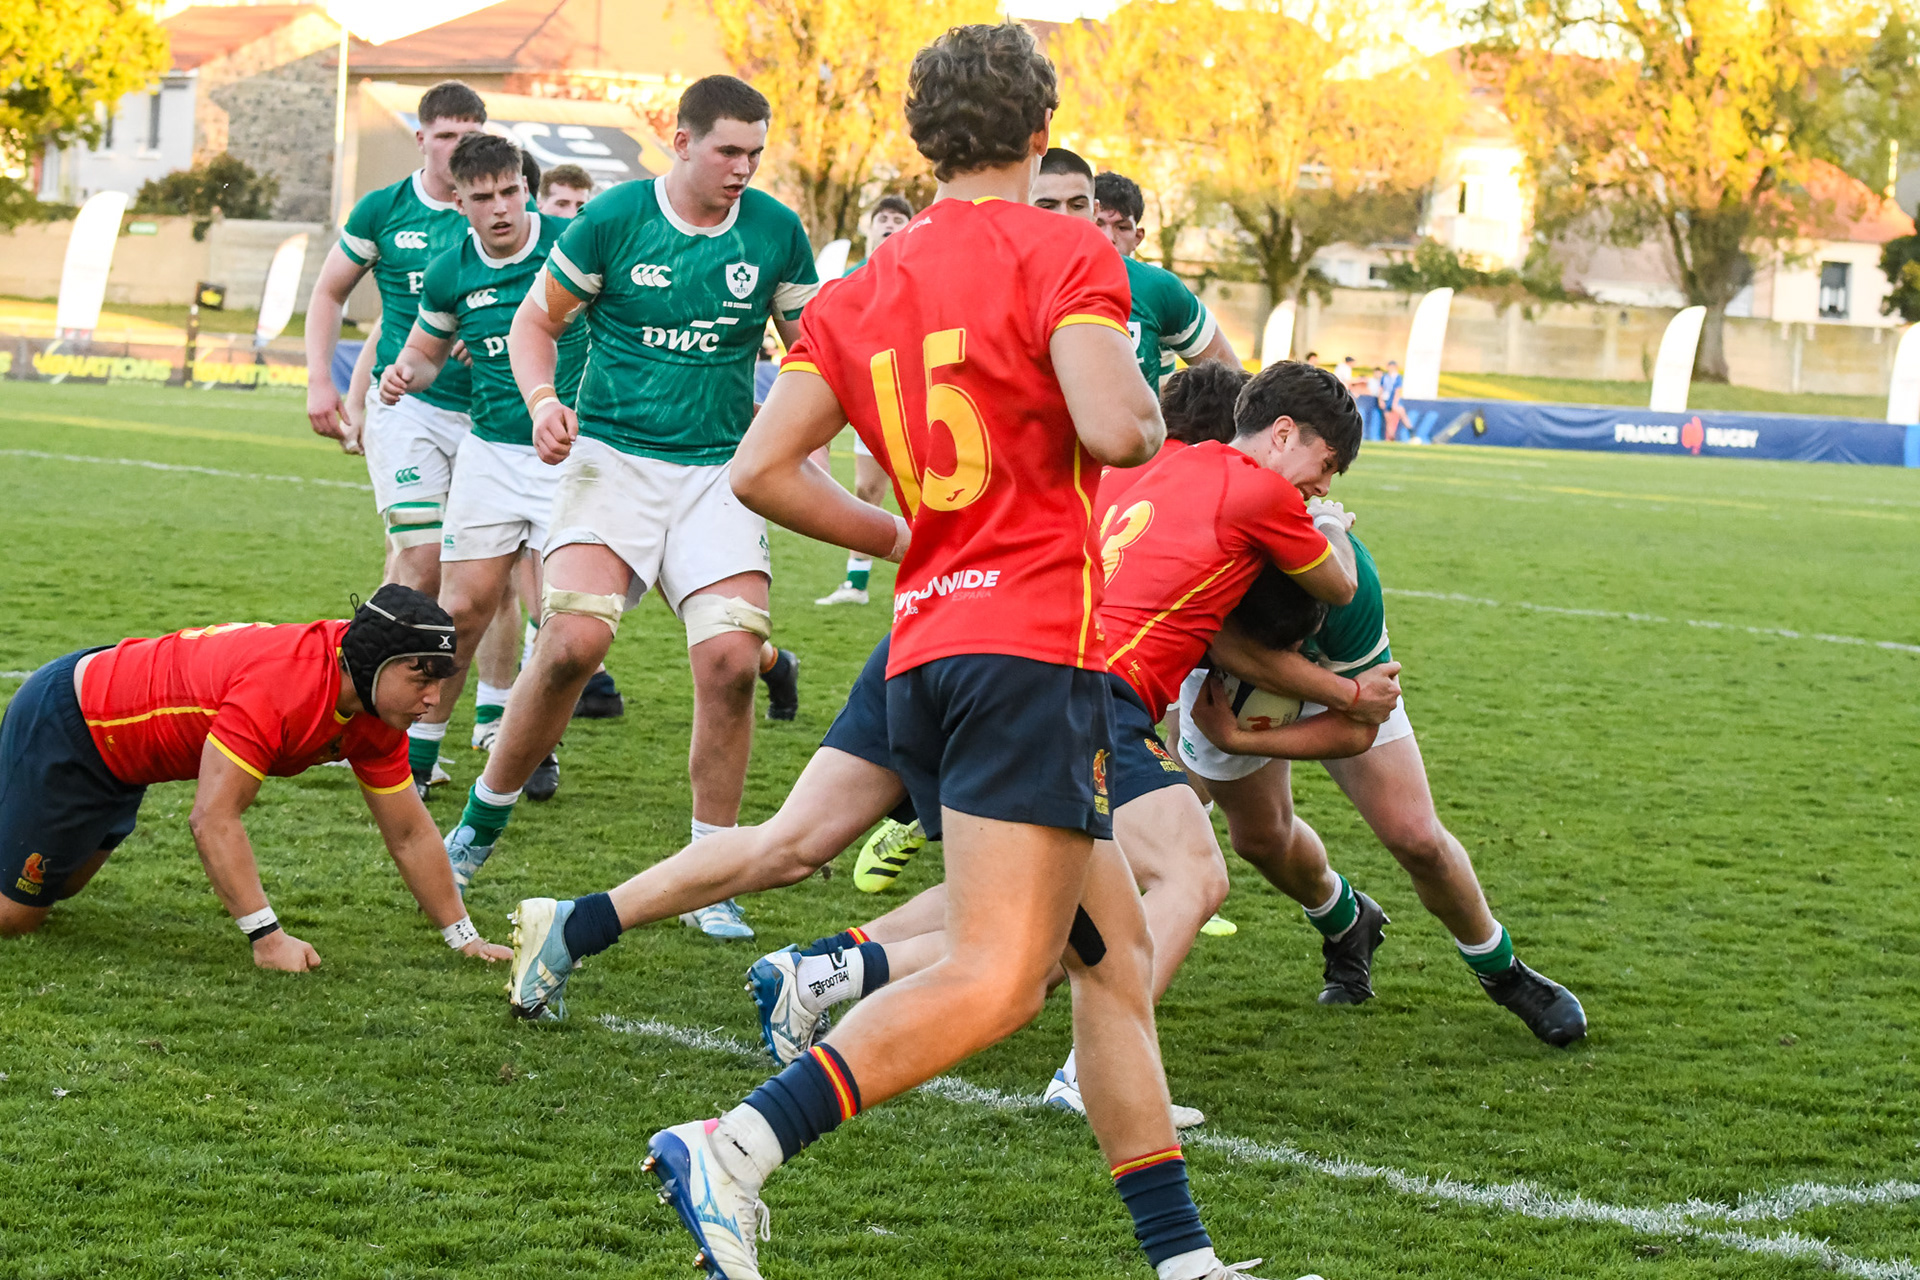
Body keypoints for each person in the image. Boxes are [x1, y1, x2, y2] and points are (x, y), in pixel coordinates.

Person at [627, 25, 1267, 1280]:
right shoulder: (1066, 247)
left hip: (928, 649)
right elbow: (1123, 428)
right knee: (998, 978)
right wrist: (1137, 401)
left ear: (925, 141)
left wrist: (907, 531)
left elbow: (761, 469)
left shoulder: (866, 283)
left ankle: (1184, 1263)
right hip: (1034, 652)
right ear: (1041, 134)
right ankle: (735, 1145)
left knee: (1114, 960)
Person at [443, 74, 816, 939]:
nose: (743, 169)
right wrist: (543, 401)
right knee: (572, 642)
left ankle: (710, 876)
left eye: (755, 154)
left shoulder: (774, 231)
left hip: (717, 471)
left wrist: (800, 430)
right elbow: (535, 325)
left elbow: (814, 352)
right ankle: (478, 824)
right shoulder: (614, 218)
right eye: (728, 150)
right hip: (612, 459)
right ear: (681, 142)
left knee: (732, 660)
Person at [1171, 505, 1589, 1046]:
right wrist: (1227, 725)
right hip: (1227, 678)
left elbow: (1357, 731)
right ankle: (1347, 921)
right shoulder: (1208, 572)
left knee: (1417, 837)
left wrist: (1242, 739)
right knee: (1260, 840)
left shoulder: (1352, 590)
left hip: (1346, 680)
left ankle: (1502, 971)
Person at [0, 585, 512, 970]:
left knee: (62, 887)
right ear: (370, 666)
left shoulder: (377, 713)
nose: (433, 699)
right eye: (420, 679)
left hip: (125, 764)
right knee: (14, 918)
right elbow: (212, 817)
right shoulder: (284, 685)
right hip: (71, 725)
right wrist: (268, 938)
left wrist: (464, 938)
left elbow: (409, 832)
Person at [377, 134, 589, 801]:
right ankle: (418, 757)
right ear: (458, 202)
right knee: (461, 610)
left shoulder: (575, 246)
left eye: (509, 191)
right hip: (491, 452)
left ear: (526, 188)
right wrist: (405, 372)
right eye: (483, 197)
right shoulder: (449, 271)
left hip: (571, 453)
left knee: (558, 617)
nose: (500, 208)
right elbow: (426, 353)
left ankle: (534, 746)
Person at [303, 81, 486, 596]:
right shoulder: (384, 210)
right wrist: (321, 381)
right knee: (422, 560)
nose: (459, 147)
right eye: (446, 136)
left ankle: (468, 664)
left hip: (491, 414)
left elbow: (546, 303)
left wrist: (500, 328)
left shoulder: (505, 210)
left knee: (482, 581)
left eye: (471, 136)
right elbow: (330, 294)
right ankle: (382, 652)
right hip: (407, 408)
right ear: (421, 139)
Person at [1031, 151, 1238, 393]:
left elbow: (1235, 385)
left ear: (1093, 209)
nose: (1064, 217)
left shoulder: (1154, 287)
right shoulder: (1001, 283)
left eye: (1077, 205)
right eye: (1047, 206)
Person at [815, 193, 916, 607]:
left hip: (913, 397)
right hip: (868, 395)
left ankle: (938, 579)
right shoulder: (851, 279)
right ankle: (856, 584)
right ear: (870, 227)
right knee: (866, 488)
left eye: (898, 219)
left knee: (926, 491)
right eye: (883, 218)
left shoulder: (919, 272)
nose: (890, 224)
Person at [1378, 358, 1409, 442]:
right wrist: (1380, 400)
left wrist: (1395, 402)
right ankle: (1390, 437)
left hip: (1394, 400)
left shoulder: (1397, 377)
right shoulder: (1384, 377)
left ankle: (1411, 431)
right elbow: (1381, 389)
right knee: (1388, 420)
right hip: (1386, 400)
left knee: (1402, 415)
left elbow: (1397, 391)